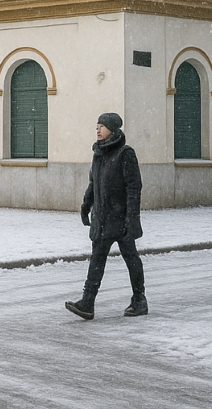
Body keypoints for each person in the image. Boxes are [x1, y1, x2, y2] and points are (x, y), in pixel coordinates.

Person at [65, 112, 147, 320]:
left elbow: (134, 188)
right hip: (102, 219)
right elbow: (93, 184)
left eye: (102, 126)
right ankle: (87, 303)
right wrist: (86, 206)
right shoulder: (99, 154)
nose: (98, 130)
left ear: (113, 129)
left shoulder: (125, 154)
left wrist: (132, 218)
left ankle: (139, 300)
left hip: (121, 219)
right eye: (97, 126)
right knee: (97, 260)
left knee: (131, 259)